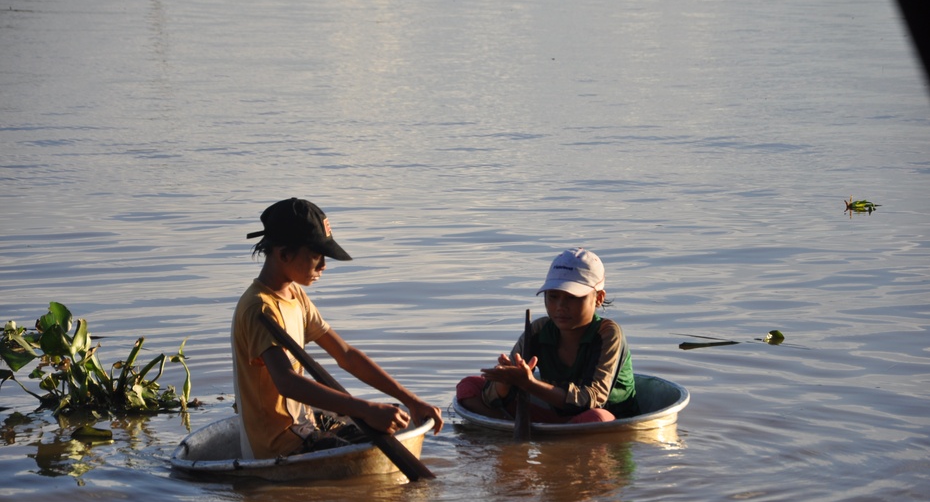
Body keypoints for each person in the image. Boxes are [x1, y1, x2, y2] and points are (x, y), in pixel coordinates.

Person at [232, 198, 443, 460]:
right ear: (284, 254)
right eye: (316, 257)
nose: (323, 267)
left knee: (388, 434)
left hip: (304, 429)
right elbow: (287, 382)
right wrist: (366, 409)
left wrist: (410, 400)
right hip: (279, 446)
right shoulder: (260, 308)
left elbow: (346, 355)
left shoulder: (294, 294)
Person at [456, 248, 638, 424]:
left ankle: (540, 437)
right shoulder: (539, 330)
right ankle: (514, 430)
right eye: (553, 297)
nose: (560, 306)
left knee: (598, 417)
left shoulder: (607, 333)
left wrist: (529, 384)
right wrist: (505, 382)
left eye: (572, 298)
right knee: (468, 386)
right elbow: (491, 396)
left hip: (599, 420)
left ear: (598, 298)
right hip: (558, 419)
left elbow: (590, 399)